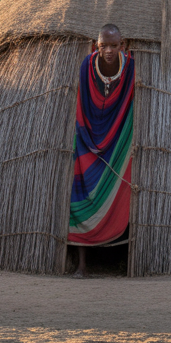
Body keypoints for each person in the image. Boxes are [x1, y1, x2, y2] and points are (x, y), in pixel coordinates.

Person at [69, 24, 135, 278]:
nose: (108, 50)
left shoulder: (130, 68)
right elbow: (82, 103)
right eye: (103, 46)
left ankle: (123, 261)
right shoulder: (86, 66)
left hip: (118, 143)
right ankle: (81, 265)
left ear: (123, 45)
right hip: (86, 141)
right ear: (95, 46)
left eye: (113, 45)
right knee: (79, 194)